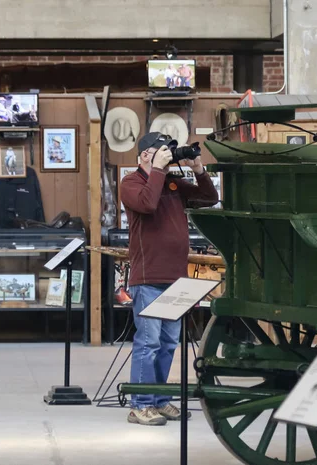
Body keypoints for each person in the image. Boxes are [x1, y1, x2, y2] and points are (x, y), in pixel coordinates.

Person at [120, 132, 219, 426]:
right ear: (144, 155)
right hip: (148, 277)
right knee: (148, 342)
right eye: (160, 151)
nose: (166, 155)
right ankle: (140, 404)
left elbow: (209, 199)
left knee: (167, 343)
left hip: (175, 278)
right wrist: (160, 170)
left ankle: (159, 400)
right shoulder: (132, 183)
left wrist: (198, 169)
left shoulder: (173, 183)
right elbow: (148, 204)